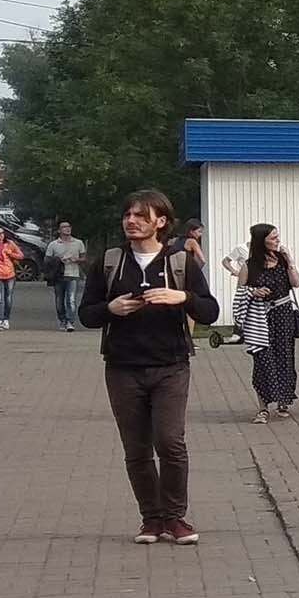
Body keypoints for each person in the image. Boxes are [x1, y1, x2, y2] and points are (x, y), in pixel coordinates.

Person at [81, 190, 220, 543]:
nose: (131, 221)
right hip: (122, 367)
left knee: (170, 442)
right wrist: (110, 309)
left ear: (161, 222)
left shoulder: (180, 262)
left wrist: (183, 297)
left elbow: (210, 311)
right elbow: (86, 314)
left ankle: (175, 517)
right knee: (137, 448)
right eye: (128, 215)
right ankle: (152, 519)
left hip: (170, 365)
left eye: (141, 216)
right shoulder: (110, 261)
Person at [234, 223, 299, 424]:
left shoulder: (282, 260)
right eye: (273, 238)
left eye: (277, 236)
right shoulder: (249, 266)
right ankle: (263, 407)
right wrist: (253, 292)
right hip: (260, 318)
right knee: (262, 360)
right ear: (261, 241)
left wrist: (290, 260)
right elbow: (239, 293)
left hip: (283, 316)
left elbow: (296, 283)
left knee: (284, 358)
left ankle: (283, 400)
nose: (277, 241)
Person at [45, 220, 89, 331]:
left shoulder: (78, 243)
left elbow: (84, 258)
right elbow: (47, 260)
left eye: (69, 226)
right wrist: (58, 260)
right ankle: (62, 320)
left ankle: (70, 321)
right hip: (58, 275)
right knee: (59, 300)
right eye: (64, 227)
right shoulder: (53, 244)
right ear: (59, 230)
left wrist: (76, 259)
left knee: (71, 299)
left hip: (73, 274)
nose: (67, 229)